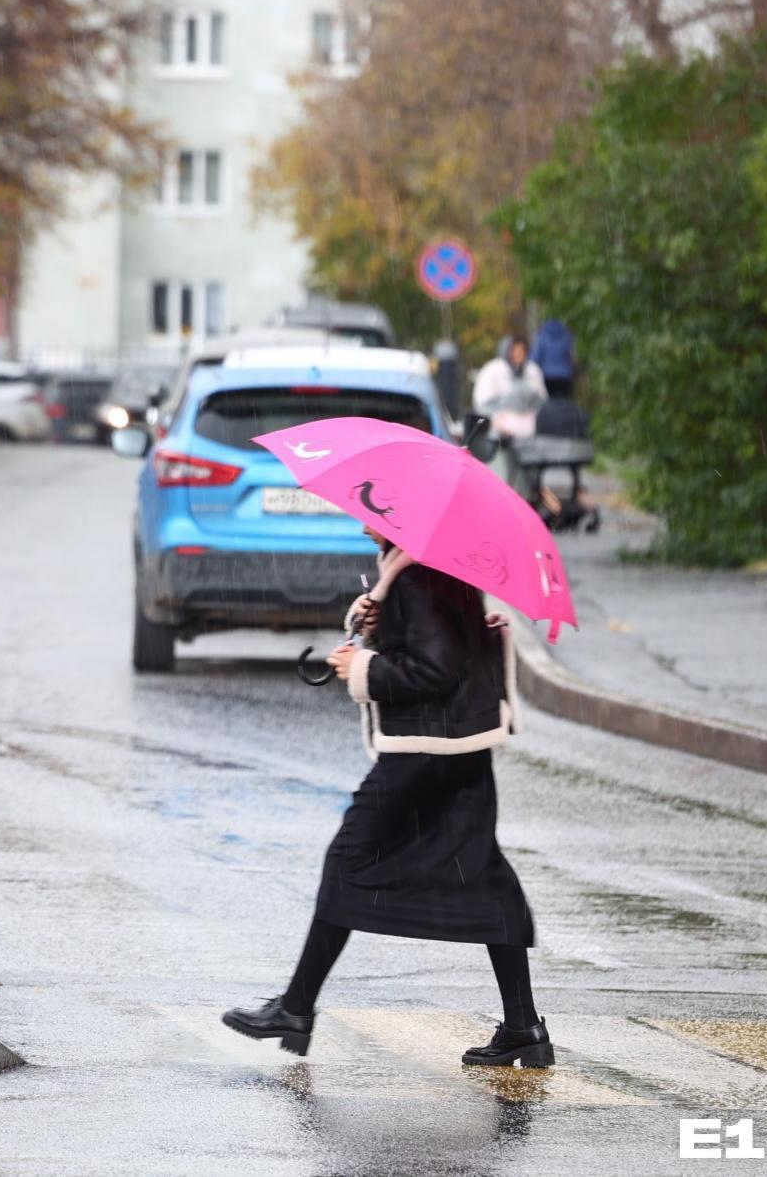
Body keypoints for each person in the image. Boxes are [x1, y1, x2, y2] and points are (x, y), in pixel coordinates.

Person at [222, 539, 550, 1069]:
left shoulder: (418, 577)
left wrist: (363, 668)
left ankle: (296, 1009)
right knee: (480, 872)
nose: (363, 518)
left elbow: (437, 667)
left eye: (373, 509)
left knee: (349, 859)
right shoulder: (435, 568)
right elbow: (440, 645)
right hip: (460, 747)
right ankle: (522, 1026)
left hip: (422, 753)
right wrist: (372, 626)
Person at [472, 335, 547, 490]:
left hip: (528, 437)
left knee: (527, 481)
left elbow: (542, 403)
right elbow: (483, 406)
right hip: (500, 437)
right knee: (502, 478)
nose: (518, 356)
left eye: (522, 351)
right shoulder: (492, 371)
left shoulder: (532, 371)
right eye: (514, 351)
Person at [529, 318, 577, 398]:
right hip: (565, 376)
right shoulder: (567, 336)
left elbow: (535, 358)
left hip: (546, 376)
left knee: (549, 403)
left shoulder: (542, 336)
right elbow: (573, 355)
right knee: (563, 402)